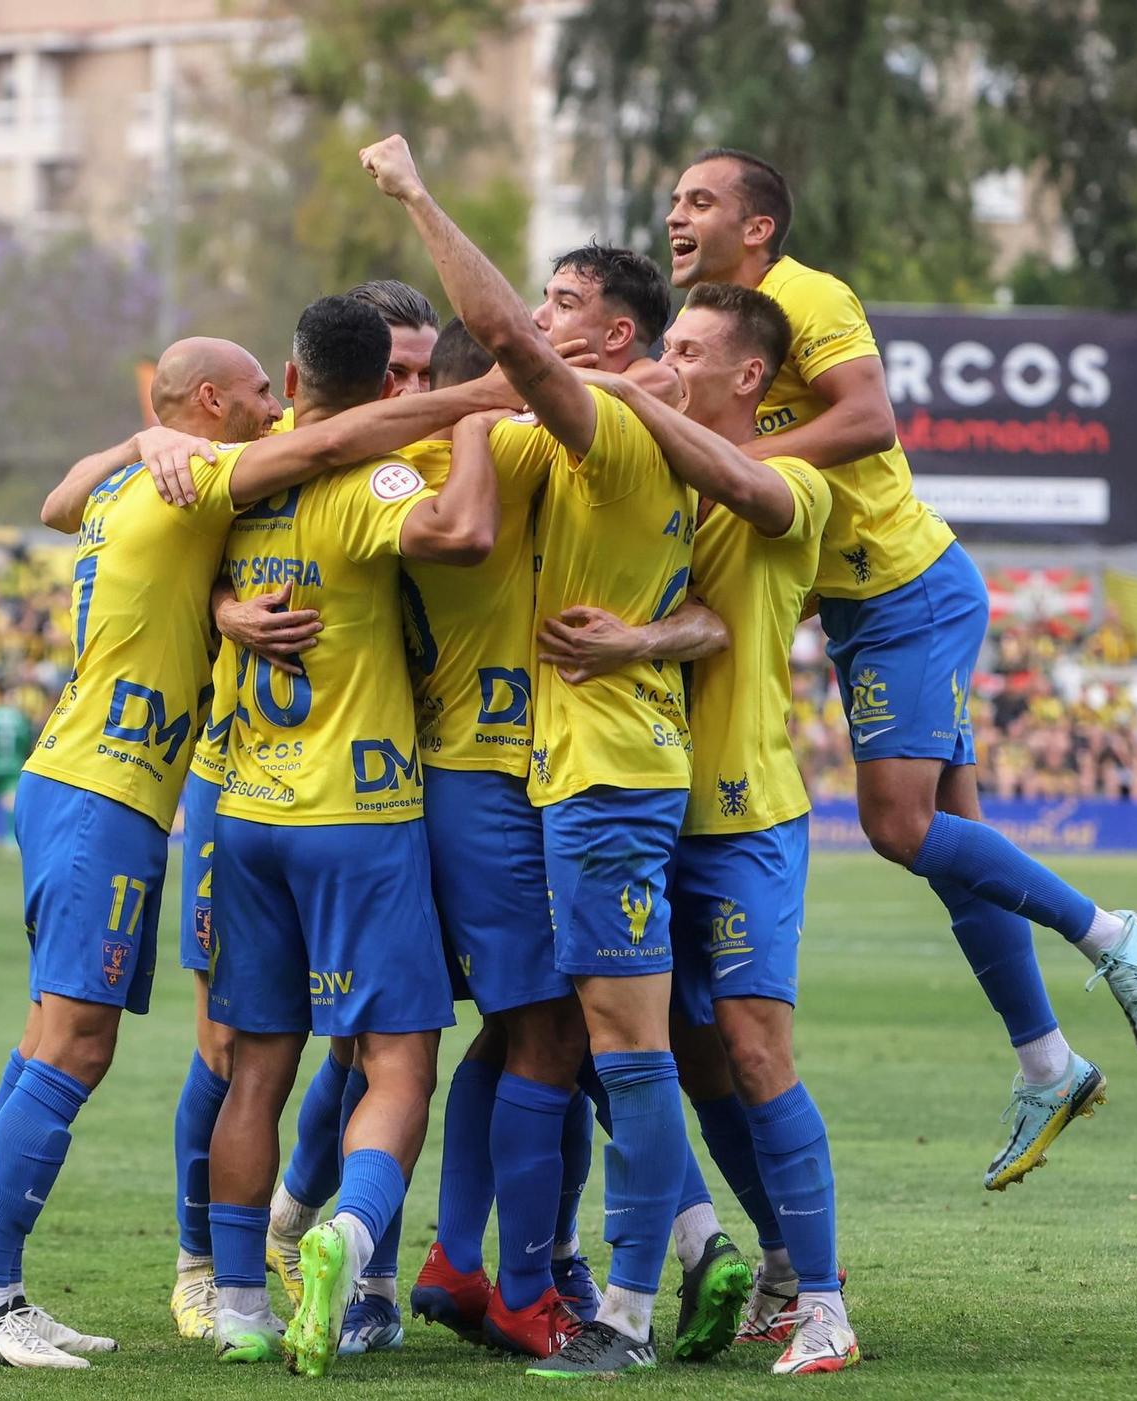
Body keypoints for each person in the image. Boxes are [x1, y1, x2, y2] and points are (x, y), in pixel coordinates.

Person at [0, 327, 511, 1371]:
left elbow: (59, 503)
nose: (269, 406)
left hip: (121, 791)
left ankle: (1, 1288)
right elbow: (353, 432)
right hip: (112, 793)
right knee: (74, 1046)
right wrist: (481, 397)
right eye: (252, 392)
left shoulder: (142, 485)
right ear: (208, 402)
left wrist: (137, 448)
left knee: (58, 1045)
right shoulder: (206, 473)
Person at [665, 146, 1137, 1191]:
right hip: (862, 604)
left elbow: (867, 421)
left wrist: (729, 466)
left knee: (897, 827)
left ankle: (1107, 930)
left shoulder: (807, 295)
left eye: (699, 200)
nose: (677, 216)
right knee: (954, 845)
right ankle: (1045, 1063)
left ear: (757, 226)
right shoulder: (717, 342)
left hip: (907, 589)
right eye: (673, 201)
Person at [368, 133, 718, 1379]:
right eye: (539, 305)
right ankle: (466, 1270)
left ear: (613, 338)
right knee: (512, 1037)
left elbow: (720, 605)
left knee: (534, 1039)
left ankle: (498, 1267)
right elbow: (336, 497)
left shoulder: (605, 437)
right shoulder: (515, 434)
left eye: (563, 301)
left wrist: (644, 638)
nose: (538, 314)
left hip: (576, 776)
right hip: (476, 775)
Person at [200, 295, 509, 1375]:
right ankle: (347, 1234)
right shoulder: (370, 480)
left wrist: (226, 609)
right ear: (389, 387)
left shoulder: (242, 468)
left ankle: (237, 1299)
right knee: (398, 1066)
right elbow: (462, 533)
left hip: (245, 811)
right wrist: (468, 428)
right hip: (358, 815)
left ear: (289, 381)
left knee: (255, 1072)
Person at [576, 282, 855, 1375]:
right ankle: (763, 1259)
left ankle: (825, 1305)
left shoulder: (792, 479)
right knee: (649, 1051)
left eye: (687, 348)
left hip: (740, 815)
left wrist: (627, 391)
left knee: (752, 1048)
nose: (667, 359)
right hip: (635, 806)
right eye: (664, 346)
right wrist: (638, 639)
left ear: (748, 376)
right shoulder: (660, 491)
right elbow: (689, 618)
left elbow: (744, 490)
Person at [0, 680, 34, 847]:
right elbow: (26, 742)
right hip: (13, 765)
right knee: (10, 801)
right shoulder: (20, 717)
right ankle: (10, 839)